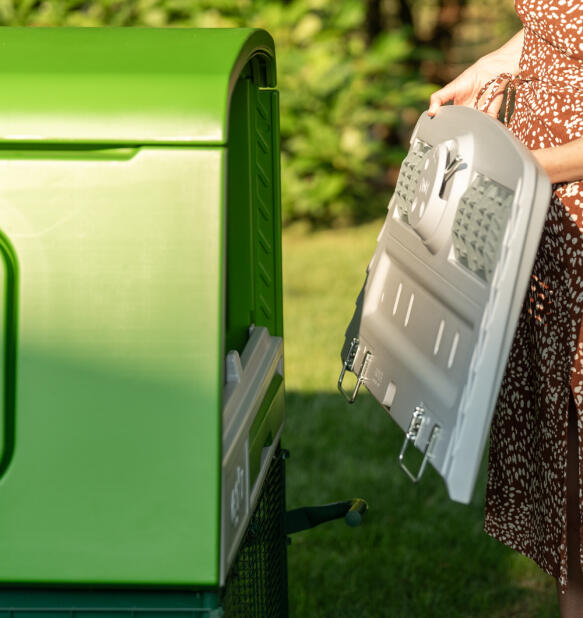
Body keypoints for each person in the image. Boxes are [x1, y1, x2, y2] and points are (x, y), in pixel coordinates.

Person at [428, 2, 583, 616]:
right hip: (549, 228)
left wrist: (518, 170)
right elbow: (562, 28)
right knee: (570, 465)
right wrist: (494, 63)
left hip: (558, 194)